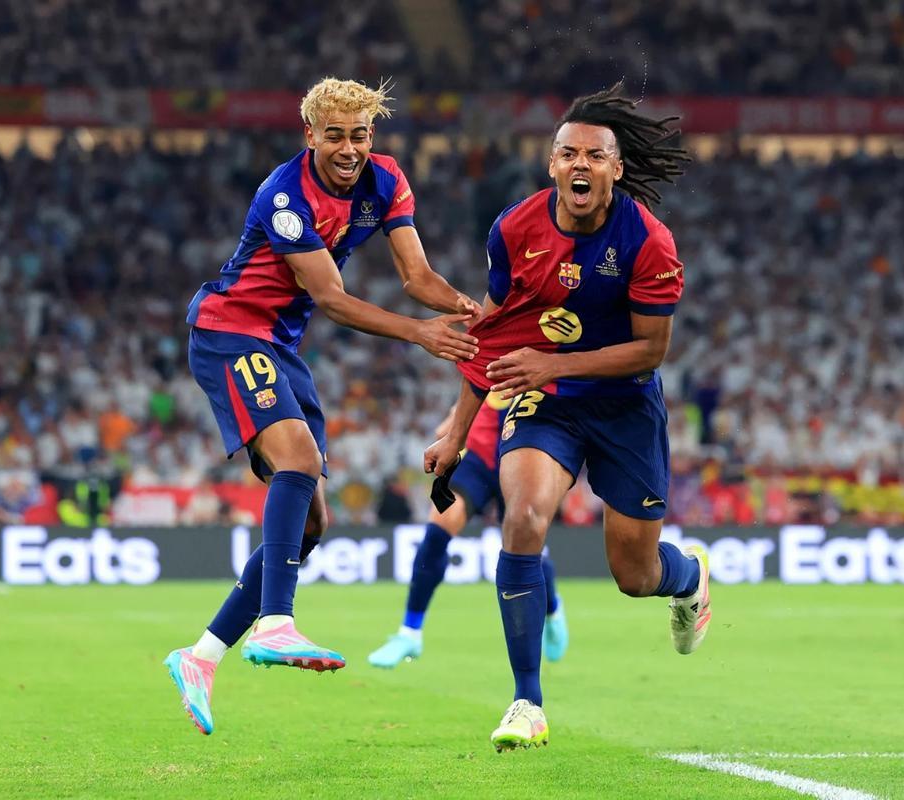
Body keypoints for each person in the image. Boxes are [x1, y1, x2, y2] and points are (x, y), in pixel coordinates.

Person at [165, 77, 481, 736]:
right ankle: (275, 623)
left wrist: (467, 308)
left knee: (310, 526)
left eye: (359, 135)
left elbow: (417, 277)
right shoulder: (284, 196)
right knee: (299, 460)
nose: (348, 149)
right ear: (309, 134)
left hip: (279, 346)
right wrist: (420, 334)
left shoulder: (385, 180)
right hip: (230, 331)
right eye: (334, 135)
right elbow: (332, 299)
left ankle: (201, 657)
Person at [424, 83, 710, 752]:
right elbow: (494, 332)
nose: (580, 164)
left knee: (634, 576)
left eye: (595, 155)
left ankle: (690, 576)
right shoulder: (513, 229)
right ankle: (527, 701)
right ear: (551, 164)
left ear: (616, 168)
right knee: (522, 519)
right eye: (568, 153)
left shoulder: (649, 241)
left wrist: (553, 362)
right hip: (546, 400)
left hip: (624, 404)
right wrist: (456, 432)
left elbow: (651, 350)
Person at [367, 393, 568, 668]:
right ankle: (409, 632)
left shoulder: (547, 368)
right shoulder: (489, 367)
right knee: (437, 531)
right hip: (478, 459)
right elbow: (474, 388)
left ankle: (552, 608)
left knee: (526, 547)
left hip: (523, 455)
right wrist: (454, 420)